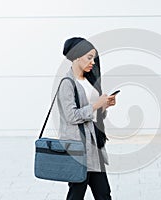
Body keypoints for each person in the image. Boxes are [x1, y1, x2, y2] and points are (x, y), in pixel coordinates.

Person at [57, 37, 116, 200]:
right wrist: (97, 105)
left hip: (95, 149)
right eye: (89, 57)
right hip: (78, 150)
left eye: (94, 58)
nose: (93, 62)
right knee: (76, 194)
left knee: (104, 194)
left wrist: (104, 106)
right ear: (76, 56)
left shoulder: (90, 82)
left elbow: (95, 116)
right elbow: (72, 116)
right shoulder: (67, 83)